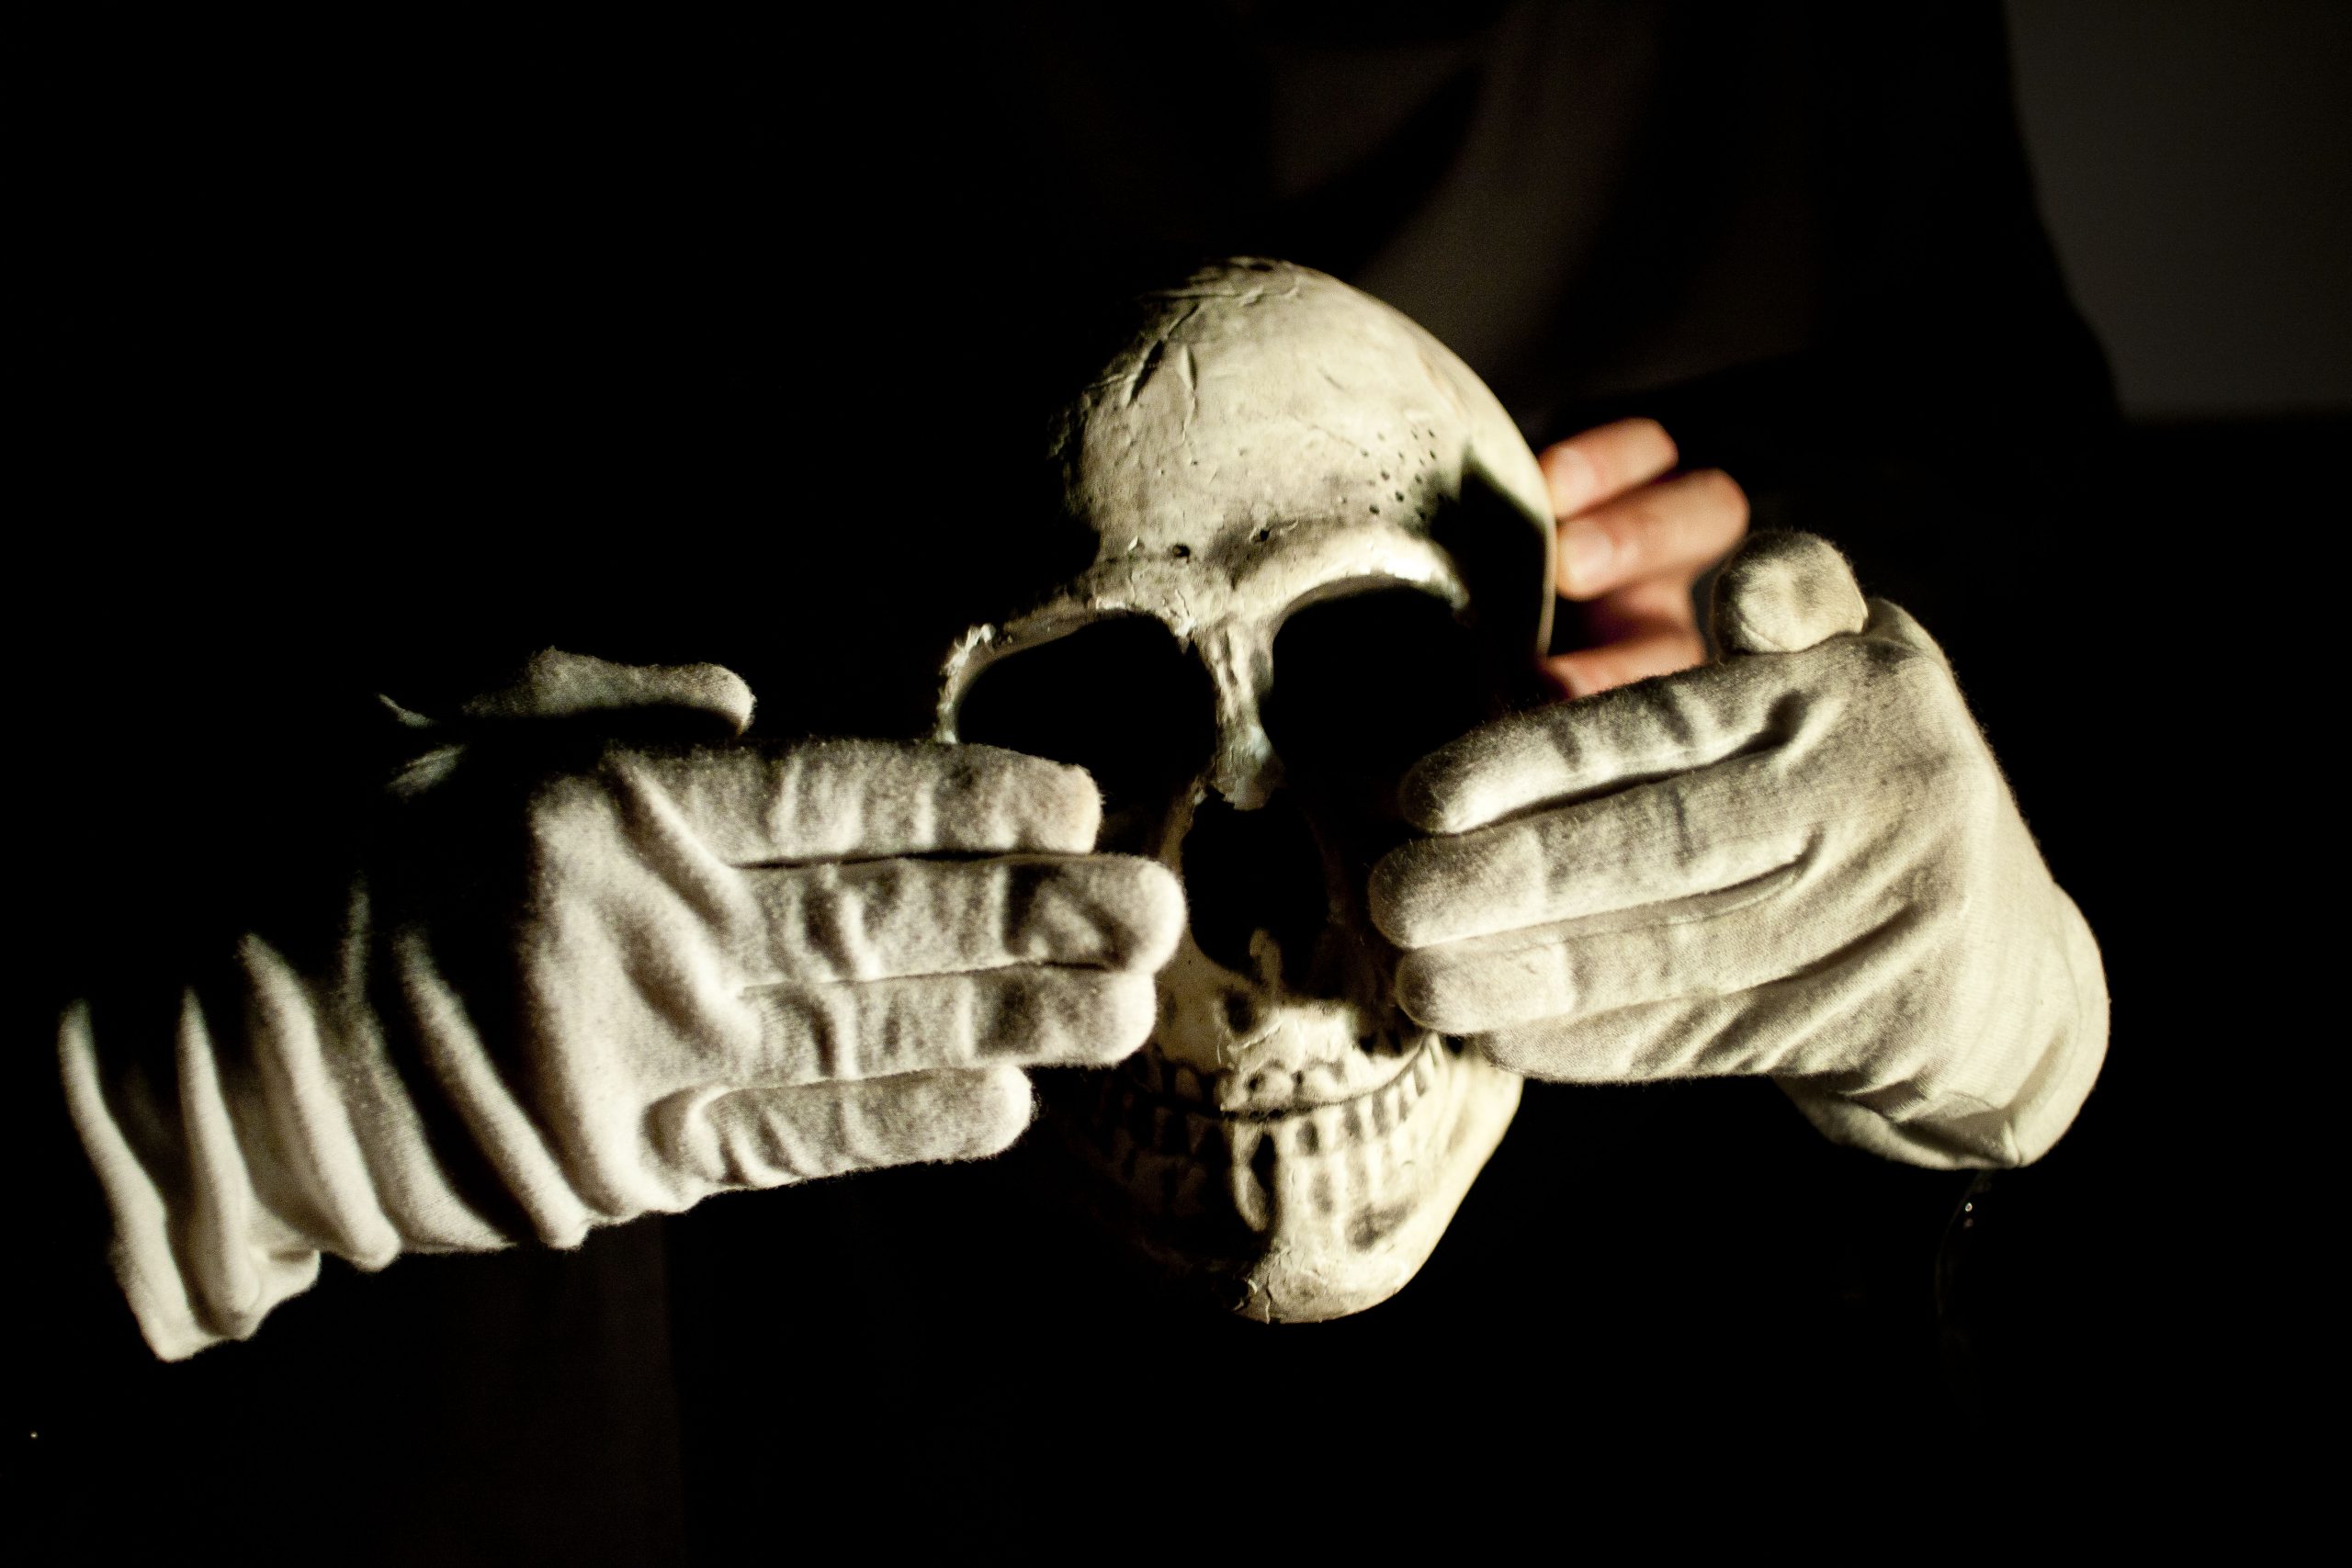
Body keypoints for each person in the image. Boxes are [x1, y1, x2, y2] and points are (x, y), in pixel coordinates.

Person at [25, 3, 2117, 1555]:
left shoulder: (1833, 94)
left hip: (1616, 1259)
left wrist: (2037, 1073)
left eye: (1380, 657)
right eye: (1092, 703)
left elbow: (2037, 547)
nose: (1243, 908)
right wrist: (129, 1158)